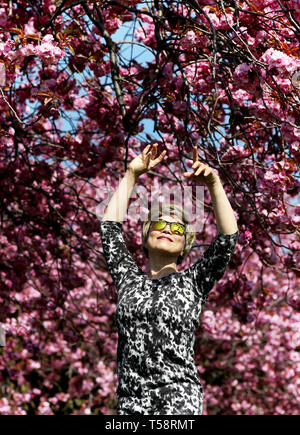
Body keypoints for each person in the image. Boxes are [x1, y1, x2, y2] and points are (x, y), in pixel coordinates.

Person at [99, 143, 239, 415]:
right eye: (159, 223)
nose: (168, 230)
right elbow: (109, 228)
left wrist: (213, 182)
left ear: (186, 244)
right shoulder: (128, 279)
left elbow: (227, 239)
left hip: (179, 402)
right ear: (145, 235)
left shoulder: (195, 282)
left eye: (177, 228)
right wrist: (131, 174)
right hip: (131, 404)